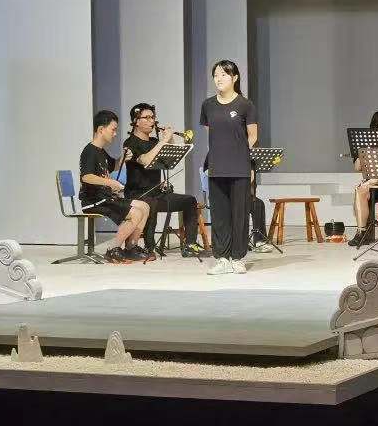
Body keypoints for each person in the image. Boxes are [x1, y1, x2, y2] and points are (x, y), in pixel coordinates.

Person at [122, 103, 205, 257]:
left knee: (190, 200)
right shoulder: (130, 142)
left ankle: (190, 245)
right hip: (138, 195)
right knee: (151, 203)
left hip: (157, 194)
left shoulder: (154, 141)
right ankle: (149, 247)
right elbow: (145, 160)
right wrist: (162, 141)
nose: (152, 121)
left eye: (153, 117)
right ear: (136, 121)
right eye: (147, 117)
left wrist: (170, 138)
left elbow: (170, 156)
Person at [200, 60, 258, 276]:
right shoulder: (208, 105)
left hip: (239, 168)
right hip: (217, 168)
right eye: (216, 75)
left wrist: (241, 157)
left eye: (224, 74)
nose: (219, 79)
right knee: (219, 215)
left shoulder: (245, 105)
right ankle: (222, 258)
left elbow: (253, 136)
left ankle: (237, 257)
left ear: (234, 78)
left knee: (239, 215)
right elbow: (211, 137)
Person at [78, 110, 151, 263]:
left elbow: (114, 166)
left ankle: (131, 248)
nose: (115, 133)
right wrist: (111, 183)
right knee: (135, 213)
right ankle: (113, 250)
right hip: (94, 200)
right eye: (113, 129)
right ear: (101, 129)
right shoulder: (89, 151)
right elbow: (86, 176)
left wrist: (123, 158)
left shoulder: (101, 152)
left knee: (144, 207)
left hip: (105, 198)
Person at [348, 109, 378, 247]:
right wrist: (362, 151)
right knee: (360, 191)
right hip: (374, 182)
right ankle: (361, 233)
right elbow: (357, 167)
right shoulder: (367, 142)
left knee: (367, 186)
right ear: (375, 126)